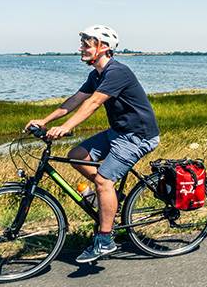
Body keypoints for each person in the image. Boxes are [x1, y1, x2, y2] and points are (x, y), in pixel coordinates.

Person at [26, 25, 160, 263]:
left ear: (103, 47)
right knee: (77, 154)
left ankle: (105, 240)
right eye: (83, 44)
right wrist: (44, 121)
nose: (82, 48)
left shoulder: (117, 72)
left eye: (87, 44)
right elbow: (76, 100)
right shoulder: (96, 74)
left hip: (139, 135)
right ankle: (107, 200)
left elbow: (94, 103)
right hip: (118, 132)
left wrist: (67, 127)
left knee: (103, 180)